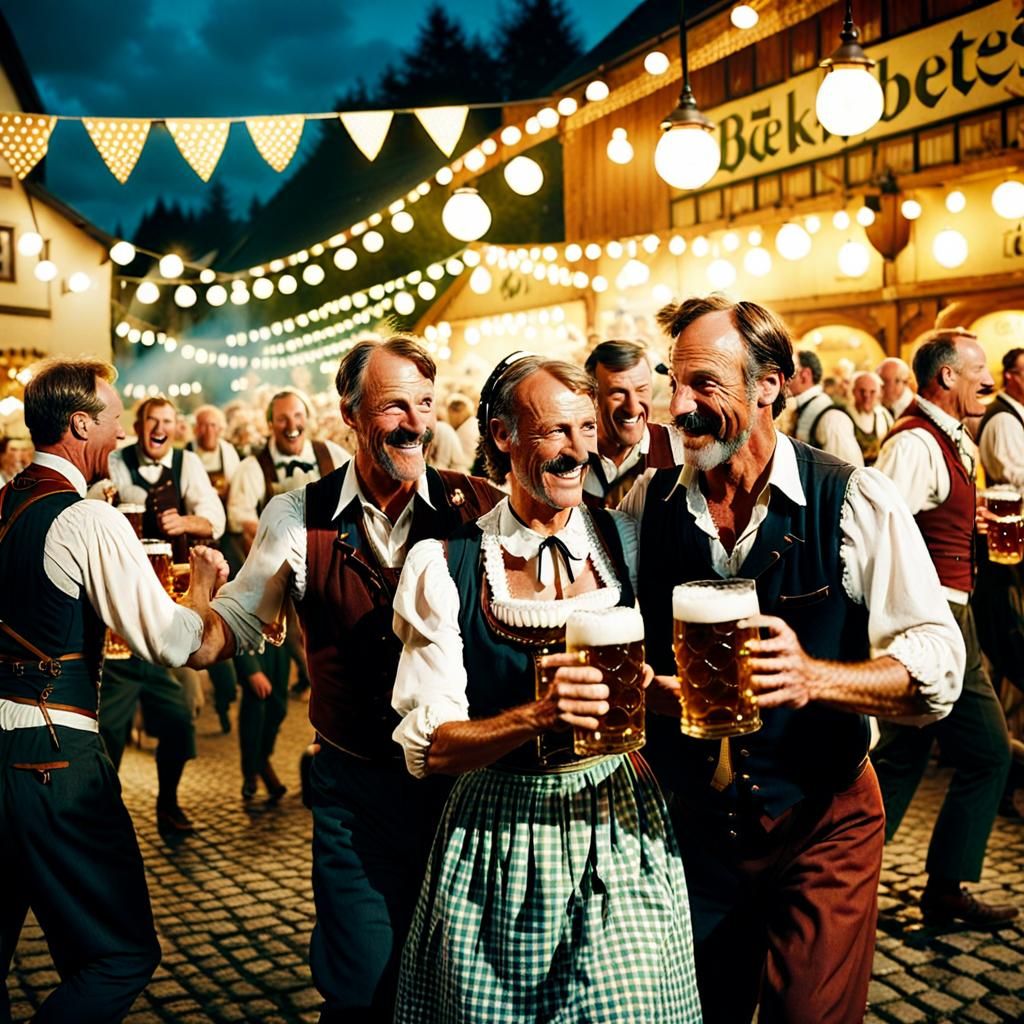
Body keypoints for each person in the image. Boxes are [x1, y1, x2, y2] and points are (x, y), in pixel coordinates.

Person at [621, 296, 964, 1024]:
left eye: (704, 384)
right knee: (699, 1012)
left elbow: (937, 661)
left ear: (770, 383)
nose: (677, 406)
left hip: (822, 819)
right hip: (697, 828)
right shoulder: (645, 506)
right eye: (671, 382)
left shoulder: (852, 497)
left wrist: (818, 677)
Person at [191, 337, 502, 1023]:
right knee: (359, 985)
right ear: (351, 415)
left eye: (424, 403)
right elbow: (233, 627)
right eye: (395, 406)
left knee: (464, 989)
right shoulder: (297, 514)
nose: (416, 422)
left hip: (463, 794)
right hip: (355, 788)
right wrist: (195, 609)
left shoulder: (480, 506)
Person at [391, 355, 700, 1023]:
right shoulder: (446, 564)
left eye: (586, 429)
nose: (577, 450)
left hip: (619, 818)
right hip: (500, 832)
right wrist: (536, 715)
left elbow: (665, 672)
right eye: (555, 431)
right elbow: (433, 749)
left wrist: (665, 694)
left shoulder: (627, 540)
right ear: (502, 435)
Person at [0, 357, 227, 1023]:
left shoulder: (6, 499)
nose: (123, 428)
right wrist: (207, 595)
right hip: (53, 758)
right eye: (114, 416)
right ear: (79, 423)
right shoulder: (88, 519)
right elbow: (174, 642)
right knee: (118, 955)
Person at [874, 328, 1016, 928]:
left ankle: (835, 870)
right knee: (988, 751)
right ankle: (943, 888)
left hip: (952, 610)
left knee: (903, 756)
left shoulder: (946, 436)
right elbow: (880, 537)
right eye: (977, 368)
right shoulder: (913, 444)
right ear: (947, 377)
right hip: (935, 618)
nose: (988, 380)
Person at [93, 395, 227, 835]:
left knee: (178, 719)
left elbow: (215, 518)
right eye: (153, 420)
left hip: (168, 608)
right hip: (122, 612)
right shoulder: (115, 461)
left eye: (168, 421)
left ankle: (167, 803)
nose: (160, 428)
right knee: (108, 728)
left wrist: (186, 524)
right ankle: (103, 812)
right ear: (139, 424)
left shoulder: (187, 465)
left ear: (175, 427)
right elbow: (90, 505)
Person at [226, 390, 350, 800]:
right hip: (275, 591)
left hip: (327, 585)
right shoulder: (251, 468)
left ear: (308, 418)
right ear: (269, 423)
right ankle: (251, 767)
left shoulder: (332, 453)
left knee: (327, 680)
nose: (291, 424)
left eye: (297, 415)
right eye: (282, 418)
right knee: (266, 692)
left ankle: (325, 761)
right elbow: (239, 518)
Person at [188, 404, 242, 732]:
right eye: (203, 425)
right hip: (193, 551)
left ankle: (223, 700)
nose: (209, 431)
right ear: (196, 429)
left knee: (217, 621)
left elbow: (233, 499)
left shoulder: (230, 454)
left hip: (220, 548)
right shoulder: (187, 459)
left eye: (214, 425)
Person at [582, 338, 682, 508]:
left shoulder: (679, 449)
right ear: (592, 397)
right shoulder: (571, 454)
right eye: (618, 393)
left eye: (641, 389)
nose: (632, 408)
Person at [788, 349, 864, 466]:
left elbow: (846, 469)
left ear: (805, 375)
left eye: (789, 371)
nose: (783, 378)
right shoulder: (800, 408)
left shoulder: (832, 418)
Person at [849, 371, 894, 465]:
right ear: (853, 391)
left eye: (872, 392)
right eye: (862, 391)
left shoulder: (884, 415)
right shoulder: (845, 417)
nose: (867, 397)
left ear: (880, 393)